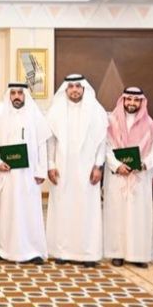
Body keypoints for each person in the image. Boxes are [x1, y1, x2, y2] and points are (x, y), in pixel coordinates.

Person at [46, 74, 108, 267]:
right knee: (62, 209)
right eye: (71, 86)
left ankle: (88, 254)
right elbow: (50, 141)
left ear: (83, 89)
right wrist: (50, 165)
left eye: (77, 86)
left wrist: (98, 165)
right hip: (62, 170)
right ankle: (62, 252)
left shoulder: (96, 111)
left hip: (87, 170)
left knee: (87, 210)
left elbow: (102, 142)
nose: (74, 90)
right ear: (65, 89)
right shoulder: (55, 111)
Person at [103, 87, 153, 268]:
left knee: (139, 216)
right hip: (117, 177)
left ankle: (138, 255)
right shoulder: (111, 122)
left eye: (136, 100)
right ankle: (117, 253)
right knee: (117, 215)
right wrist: (117, 165)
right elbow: (105, 146)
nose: (132, 103)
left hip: (140, 177)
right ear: (123, 100)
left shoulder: (150, 124)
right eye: (128, 99)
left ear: (141, 102)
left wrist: (145, 164)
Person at [0, 83, 49, 264]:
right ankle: (3, 250)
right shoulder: (3, 119)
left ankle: (32, 251)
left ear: (25, 96)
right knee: (7, 212)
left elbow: (42, 145)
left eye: (20, 93)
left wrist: (41, 170)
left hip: (29, 175)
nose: (16, 96)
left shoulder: (35, 117)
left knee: (29, 211)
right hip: (8, 174)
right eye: (13, 93)